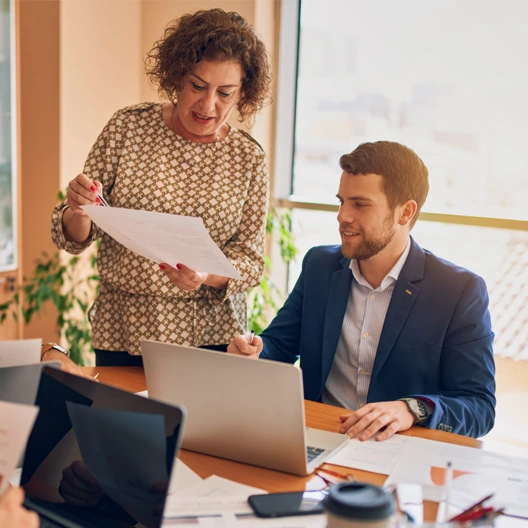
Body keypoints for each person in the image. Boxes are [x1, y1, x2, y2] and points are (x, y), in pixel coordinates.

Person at [228, 141, 496, 440]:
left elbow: (479, 407)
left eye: (360, 204)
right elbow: (280, 344)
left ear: (405, 213)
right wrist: (256, 351)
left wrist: (411, 409)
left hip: (399, 449)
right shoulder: (320, 265)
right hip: (317, 434)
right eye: (341, 201)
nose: (342, 216)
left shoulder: (459, 290)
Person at [50, 9, 271, 367]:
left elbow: (250, 263)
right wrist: (78, 211)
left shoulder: (248, 158)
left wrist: (205, 275)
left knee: (202, 426)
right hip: (123, 327)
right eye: (197, 86)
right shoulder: (128, 129)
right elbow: (75, 236)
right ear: (176, 75)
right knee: (125, 424)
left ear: (242, 93)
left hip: (210, 336)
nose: (208, 104)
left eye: (225, 93)